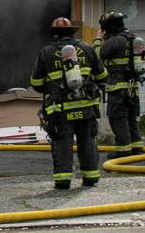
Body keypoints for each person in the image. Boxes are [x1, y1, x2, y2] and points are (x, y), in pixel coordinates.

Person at [30, 17, 107, 190]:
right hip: (87, 107)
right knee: (87, 141)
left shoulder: (46, 53)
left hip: (60, 110)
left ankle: (63, 180)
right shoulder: (87, 49)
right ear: (73, 31)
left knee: (62, 143)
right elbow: (102, 76)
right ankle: (90, 177)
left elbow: (36, 84)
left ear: (54, 34)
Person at [94, 10, 145, 159]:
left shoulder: (115, 41)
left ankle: (123, 150)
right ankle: (136, 147)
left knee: (118, 119)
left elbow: (97, 57)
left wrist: (97, 40)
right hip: (132, 88)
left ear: (109, 27)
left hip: (117, 89)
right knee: (130, 118)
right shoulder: (133, 39)